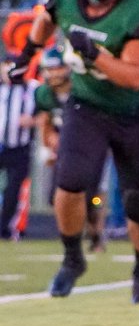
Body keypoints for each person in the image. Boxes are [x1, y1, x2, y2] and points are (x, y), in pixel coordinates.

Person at [2, 0, 139, 302]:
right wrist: (27, 53)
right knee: (70, 182)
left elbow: (135, 77)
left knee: (138, 202)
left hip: (133, 112)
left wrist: (95, 53)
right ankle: (73, 257)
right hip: (87, 105)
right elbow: (47, 18)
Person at [32, 47, 106, 249]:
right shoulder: (43, 93)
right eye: (49, 69)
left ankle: (96, 230)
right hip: (64, 152)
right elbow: (45, 123)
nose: (54, 73)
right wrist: (50, 143)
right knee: (56, 196)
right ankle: (73, 232)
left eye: (58, 68)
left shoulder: (82, 90)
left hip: (91, 146)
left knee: (93, 196)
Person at [0, 50, 38, 241]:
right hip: (1, 144)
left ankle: (4, 228)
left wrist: (33, 121)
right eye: (5, 64)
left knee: (13, 191)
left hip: (20, 147)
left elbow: (47, 113)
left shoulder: (33, 88)